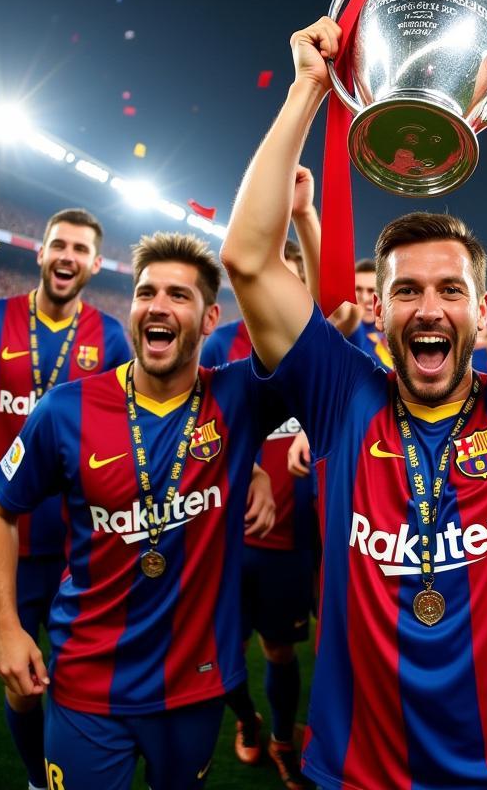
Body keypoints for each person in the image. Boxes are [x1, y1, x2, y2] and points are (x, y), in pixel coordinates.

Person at [221, 12, 487, 789]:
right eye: (406, 291)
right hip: (367, 766)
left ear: (481, 307)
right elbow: (247, 259)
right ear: (379, 311)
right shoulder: (341, 397)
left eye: (449, 291)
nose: (428, 309)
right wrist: (305, 89)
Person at [0, 232, 284, 790]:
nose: (158, 306)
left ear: (210, 317)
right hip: (89, 678)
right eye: (147, 293)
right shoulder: (65, 409)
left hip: (194, 682)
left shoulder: (241, 396)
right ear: (132, 306)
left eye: (178, 295)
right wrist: (7, 625)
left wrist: (304, 219)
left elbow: (323, 325)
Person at [0, 208, 130, 790]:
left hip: (83, 550)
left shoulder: (111, 337)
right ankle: (36, 780)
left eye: (80, 249)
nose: (67, 256)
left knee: (77, 682)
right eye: (57, 245)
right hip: (7, 543)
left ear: (95, 263)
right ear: (40, 253)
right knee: (17, 681)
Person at [201, 232, 317, 790]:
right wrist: (252, 469)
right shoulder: (218, 345)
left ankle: (281, 739)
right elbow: (185, 427)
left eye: (286, 272)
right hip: (219, 532)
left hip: (289, 539)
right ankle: (245, 719)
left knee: (278, 647)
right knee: (221, 652)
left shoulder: (316, 351)